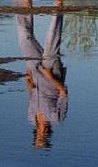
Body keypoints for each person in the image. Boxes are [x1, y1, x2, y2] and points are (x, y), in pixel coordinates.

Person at [16, 13, 68, 149]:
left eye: (40, 137)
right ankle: (58, 7)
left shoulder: (31, 117)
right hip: (51, 71)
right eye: (44, 138)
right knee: (52, 36)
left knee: (24, 38)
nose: (43, 134)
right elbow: (63, 92)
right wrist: (49, 75)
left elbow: (32, 94)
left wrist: (28, 77)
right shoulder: (56, 118)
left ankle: (24, 4)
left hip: (35, 70)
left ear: (36, 134)